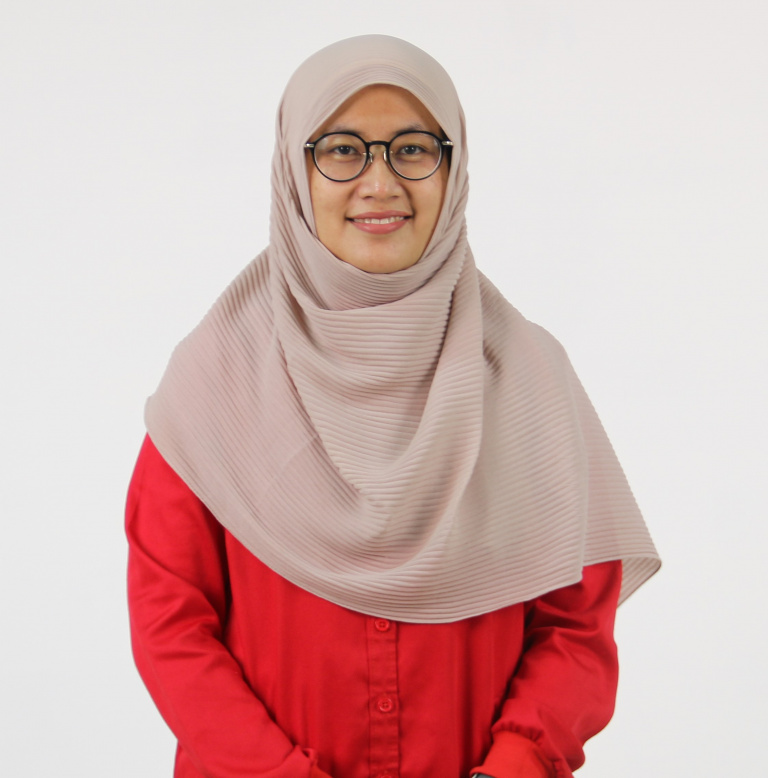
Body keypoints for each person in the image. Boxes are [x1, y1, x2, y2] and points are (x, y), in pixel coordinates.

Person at [126, 35, 660, 778]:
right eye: (342, 151)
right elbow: (170, 622)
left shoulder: (530, 378)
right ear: (293, 171)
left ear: (454, 168)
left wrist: (515, 764)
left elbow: (576, 627)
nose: (379, 184)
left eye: (413, 150)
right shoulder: (214, 379)